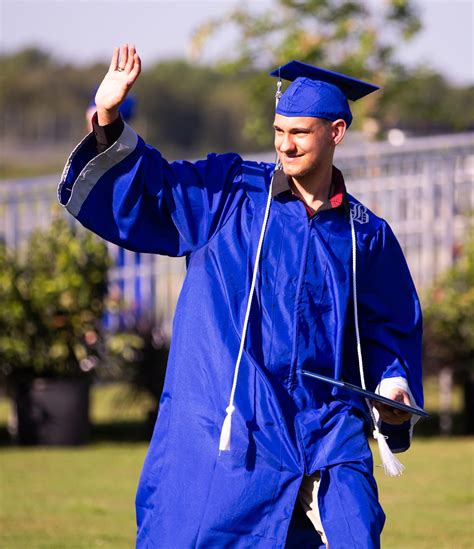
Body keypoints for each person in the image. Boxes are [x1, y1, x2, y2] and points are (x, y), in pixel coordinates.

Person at [58, 44, 424, 548]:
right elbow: (155, 190)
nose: (285, 146)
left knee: (356, 534)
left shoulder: (367, 235)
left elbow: (388, 329)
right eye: (278, 132)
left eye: (299, 133)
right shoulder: (228, 194)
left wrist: (395, 390)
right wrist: (108, 117)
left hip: (326, 428)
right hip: (239, 421)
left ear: (336, 133)